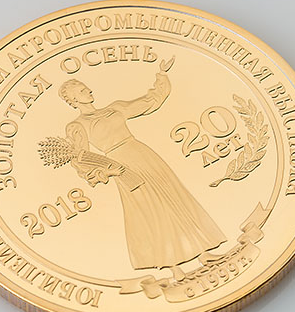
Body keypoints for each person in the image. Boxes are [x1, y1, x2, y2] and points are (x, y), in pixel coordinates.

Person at [59, 70, 226, 278]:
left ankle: (203, 252)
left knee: (174, 197)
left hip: (141, 152)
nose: (89, 90)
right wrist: (107, 170)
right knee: (150, 211)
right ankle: (172, 266)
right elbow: (80, 158)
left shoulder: (115, 108)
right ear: (74, 99)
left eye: (86, 88)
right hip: (122, 165)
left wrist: (162, 75)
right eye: (83, 90)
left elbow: (150, 102)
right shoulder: (77, 126)